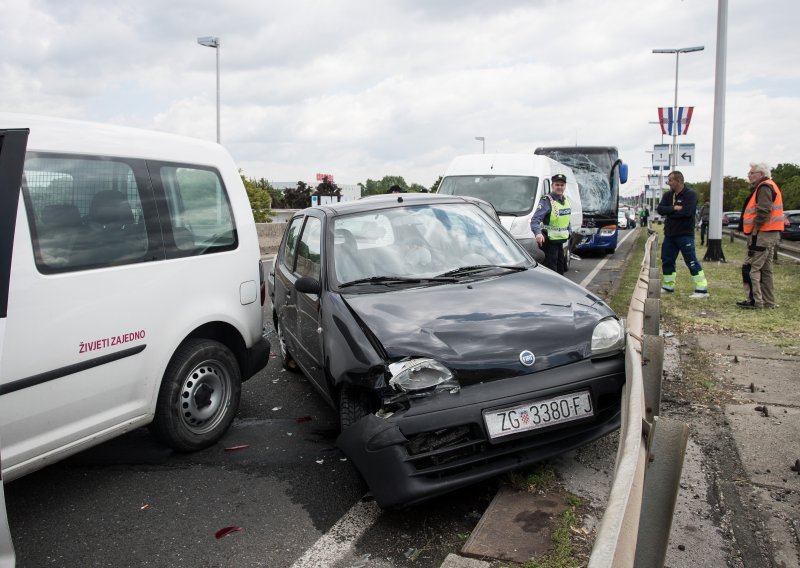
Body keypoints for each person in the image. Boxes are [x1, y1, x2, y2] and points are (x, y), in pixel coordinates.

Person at [736, 162, 784, 309]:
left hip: (762, 233)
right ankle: (768, 302)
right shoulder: (770, 185)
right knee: (766, 270)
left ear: (761, 174)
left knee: (751, 267)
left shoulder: (764, 187)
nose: (748, 175)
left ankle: (756, 301)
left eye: (752, 173)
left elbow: (763, 210)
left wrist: (756, 229)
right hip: (770, 233)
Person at [656, 170, 709, 298]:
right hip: (670, 234)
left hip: (685, 234)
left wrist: (670, 213)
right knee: (667, 259)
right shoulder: (668, 195)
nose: (668, 183)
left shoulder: (691, 195)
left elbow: (687, 212)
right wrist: (673, 208)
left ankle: (701, 288)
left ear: (678, 181)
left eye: (671, 180)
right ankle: (668, 285)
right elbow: (660, 210)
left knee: (690, 260)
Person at [530, 173, 572, 275]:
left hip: (560, 242)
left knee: (560, 270)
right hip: (549, 243)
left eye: (562, 185)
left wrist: (569, 231)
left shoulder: (565, 201)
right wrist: (538, 234)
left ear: (565, 186)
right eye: (557, 185)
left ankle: (559, 290)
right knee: (551, 272)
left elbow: (566, 219)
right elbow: (535, 220)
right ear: (552, 186)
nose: (560, 187)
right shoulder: (547, 201)